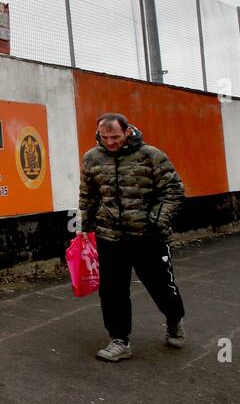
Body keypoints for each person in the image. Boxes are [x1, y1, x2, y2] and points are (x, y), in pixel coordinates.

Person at [78, 112, 186, 361]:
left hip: (148, 237)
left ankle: (174, 318)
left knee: (161, 287)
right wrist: (86, 224)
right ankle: (119, 340)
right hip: (110, 237)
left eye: (115, 136)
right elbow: (88, 195)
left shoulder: (151, 155)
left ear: (127, 131)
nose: (110, 142)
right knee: (112, 290)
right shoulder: (92, 158)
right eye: (105, 137)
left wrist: (157, 220)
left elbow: (174, 190)